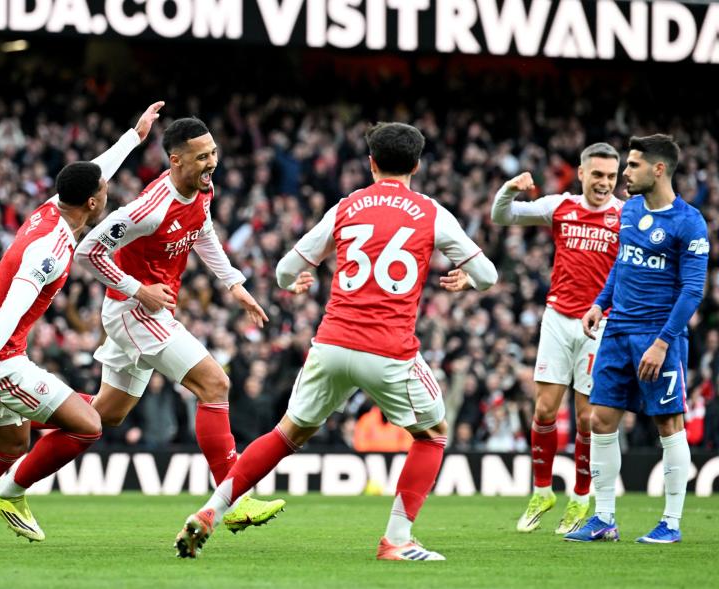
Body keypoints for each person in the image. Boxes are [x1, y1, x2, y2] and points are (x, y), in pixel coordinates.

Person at [174, 121, 498, 561]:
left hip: (331, 343)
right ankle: (397, 539)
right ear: (417, 166)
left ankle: (212, 509)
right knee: (434, 435)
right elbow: (488, 276)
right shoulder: (431, 212)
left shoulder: (347, 206)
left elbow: (287, 269)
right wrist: (464, 280)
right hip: (388, 349)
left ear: (371, 163)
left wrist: (299, 280)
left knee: (286, 434)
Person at [0, 103, 163, 546]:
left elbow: (94, 170)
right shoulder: (51, 249)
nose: (108, 189)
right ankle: (11, 493)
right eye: (104, 189)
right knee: (88, 424)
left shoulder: (52, 209)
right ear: (93, 202)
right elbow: (13, 306)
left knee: (10, 447)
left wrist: (134, 136)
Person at [73, 117, 284, 532]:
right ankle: (233, 499)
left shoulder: (202, 191)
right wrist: (139, 289)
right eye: (202, 156)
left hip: (149, 310)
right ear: (176, 160)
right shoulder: (147, 209)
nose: (212, 163)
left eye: (214, 153)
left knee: (105, 415)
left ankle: (19, 407)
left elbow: (202, 232)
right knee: (215, 384)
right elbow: (87, 251)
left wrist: (234, 285)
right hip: (134, 310)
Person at [566, 134, 708, 544]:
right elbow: (621, 265)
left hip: (658, 337)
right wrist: (599, 303)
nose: (624, 174)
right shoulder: (629, 210)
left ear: (658, 169)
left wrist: (663, 342)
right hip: (617, 331)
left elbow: (692, 291)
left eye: (632, 166)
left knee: (668, 423)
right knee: (600, 420)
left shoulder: (688, 222)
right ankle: (604, 517)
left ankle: (672, 522)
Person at [492, 143, 624, 534]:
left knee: (587, 417)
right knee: (544, 411)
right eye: (597, 174)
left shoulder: (625, 215)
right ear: (581, 173)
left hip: (598, 323)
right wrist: (510, 189)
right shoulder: (559, 207)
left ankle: (581, 498)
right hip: (556, 318)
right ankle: (542, 491)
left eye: (611, 177)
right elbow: (502, 216)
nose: (603, 183)